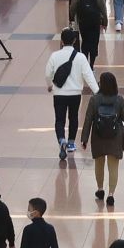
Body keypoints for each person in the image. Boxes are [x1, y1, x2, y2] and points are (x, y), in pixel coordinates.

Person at [44, 29, 100, 159]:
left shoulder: (54, 55)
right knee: (73, 118)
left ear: (62, 41)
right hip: (75, 94)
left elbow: (48, 73)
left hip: (59, 93)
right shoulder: (80, 57)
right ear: (75, 41)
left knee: (59, 119)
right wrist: (97, 92)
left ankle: (61, 140)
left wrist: (50, 85)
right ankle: (70, 143)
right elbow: (88, 75)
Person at [81, 72, 124, 206]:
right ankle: (111, 194)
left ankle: (100, 189)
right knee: (113, 166)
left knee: (99, 163)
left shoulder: (94, 99)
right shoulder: (119, 99)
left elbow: (88, 120)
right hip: (115, 138)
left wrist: (84, 139)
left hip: (98, 136)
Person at [71, 0, 108, 67]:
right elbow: (103, 8)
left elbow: (73, 7)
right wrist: (105, 22)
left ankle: (85, 62)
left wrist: (71, 18)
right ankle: (92, 63)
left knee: (85, 40)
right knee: (94, 41)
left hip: (83, 21)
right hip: (95, 21)